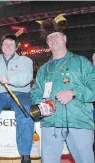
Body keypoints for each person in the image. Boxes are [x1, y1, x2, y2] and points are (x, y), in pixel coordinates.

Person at [30, 18, 95, 163]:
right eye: (49, 38)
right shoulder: (43, 70)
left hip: (78, 121)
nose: (53, 39)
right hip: (51, 123)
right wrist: (41, 104)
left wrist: (73, 92)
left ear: (64, 38)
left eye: (56, 36)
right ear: (47, 44)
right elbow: (35, 92)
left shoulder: (81, 62)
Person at [0, 34, 34, 163]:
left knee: (26, 112)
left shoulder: (25, 60)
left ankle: (25, 153)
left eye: (11, 44)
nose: (8, 46)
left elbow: (27, 77)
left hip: (20, 93)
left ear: (16, 47)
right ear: (1, 46)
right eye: (5, 44)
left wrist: (9, 79)